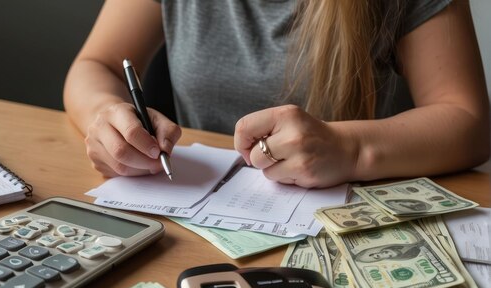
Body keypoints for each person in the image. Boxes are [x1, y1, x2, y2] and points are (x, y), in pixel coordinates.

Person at [64, 0, 489, 188]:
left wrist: (350, 148)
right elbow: (95, 66)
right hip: (196, 225)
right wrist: (107, 117)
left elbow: (468, 121)